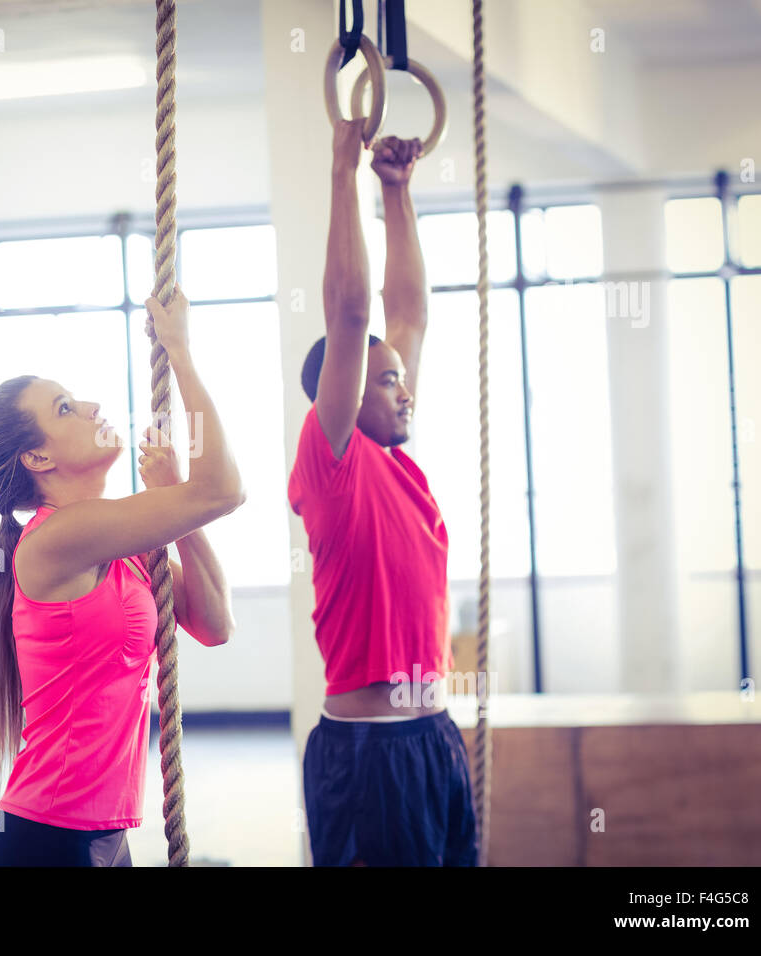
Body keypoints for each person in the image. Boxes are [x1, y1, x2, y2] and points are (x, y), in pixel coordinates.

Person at [0, 287, 243, 866]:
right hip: (44, 842)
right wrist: (180, 351)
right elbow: (224, 490)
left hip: (102, 838)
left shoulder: (120, 548)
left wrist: (178, 509)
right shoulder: (55, 540)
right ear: (37, 460)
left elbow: (217, 624)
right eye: (65, 409)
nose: (93, 407)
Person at [288, 122, 478, 866]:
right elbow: (354, 316)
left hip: (433, 737)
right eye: (389, 379)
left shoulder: (400, 462)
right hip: (368, 753)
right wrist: (343, 167)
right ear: (343, 394)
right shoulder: (332, 465)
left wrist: (397, 194)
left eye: (403, 376)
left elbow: (409, 316)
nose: (407, 391)